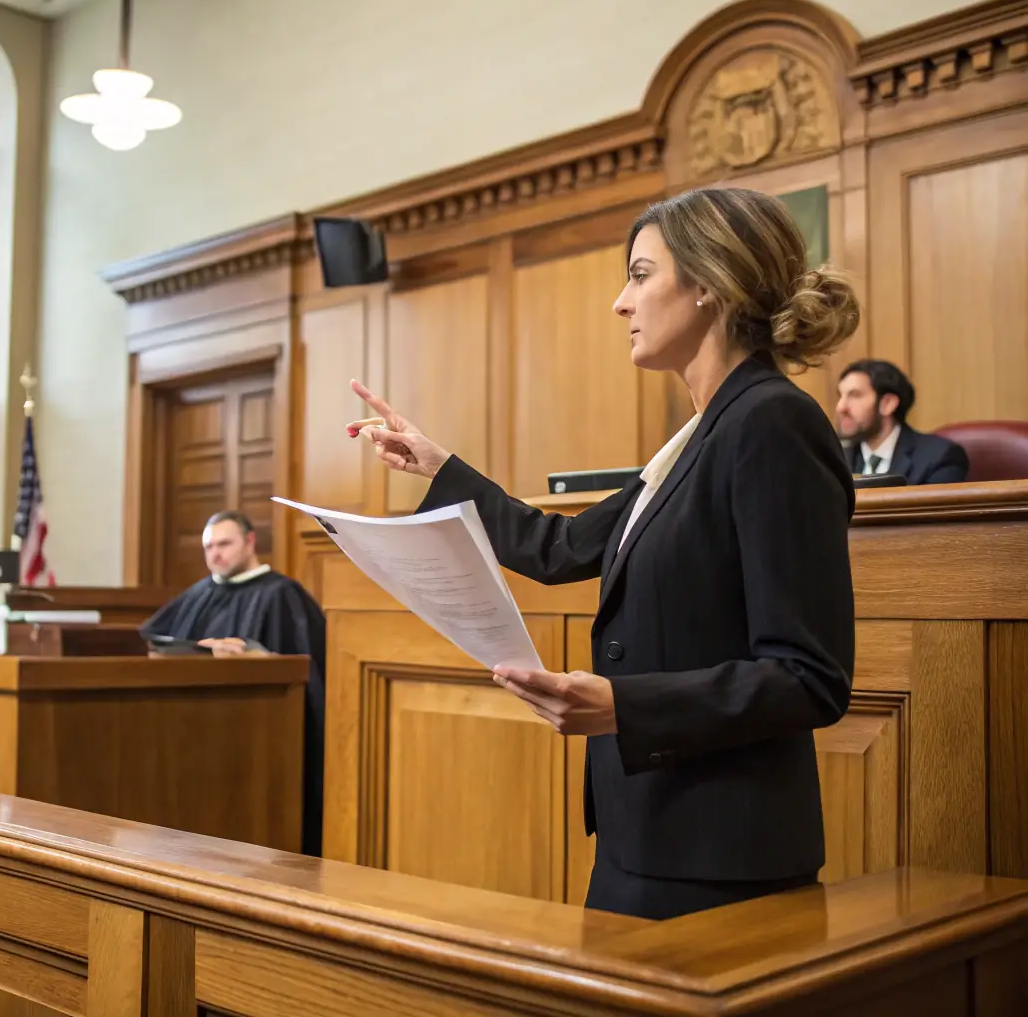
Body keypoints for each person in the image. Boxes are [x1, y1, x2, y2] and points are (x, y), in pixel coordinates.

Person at [347, 187, 859, 921]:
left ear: (711, 283)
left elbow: (809, 678)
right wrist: (437, 467)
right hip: (645, 831)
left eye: (640, 274)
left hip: (719, 854)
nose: (620, 302)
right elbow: (557, 548)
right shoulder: (700, 435)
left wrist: (625, 705)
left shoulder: (771, 423)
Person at [140, 510, 327, 856]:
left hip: (259, 742)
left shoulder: (282, 595)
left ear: (250, 541)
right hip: (194, 738)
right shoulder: (198, 594)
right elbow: (151, 644)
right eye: (208, 546)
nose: (215, 553)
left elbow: (311, 674)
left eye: (224, 543)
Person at [835, 359, 969, 484]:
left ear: (887, 404)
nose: (841, 407)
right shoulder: (835, 460)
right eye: (840, 396)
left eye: (855, 395)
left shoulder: (939, 457)